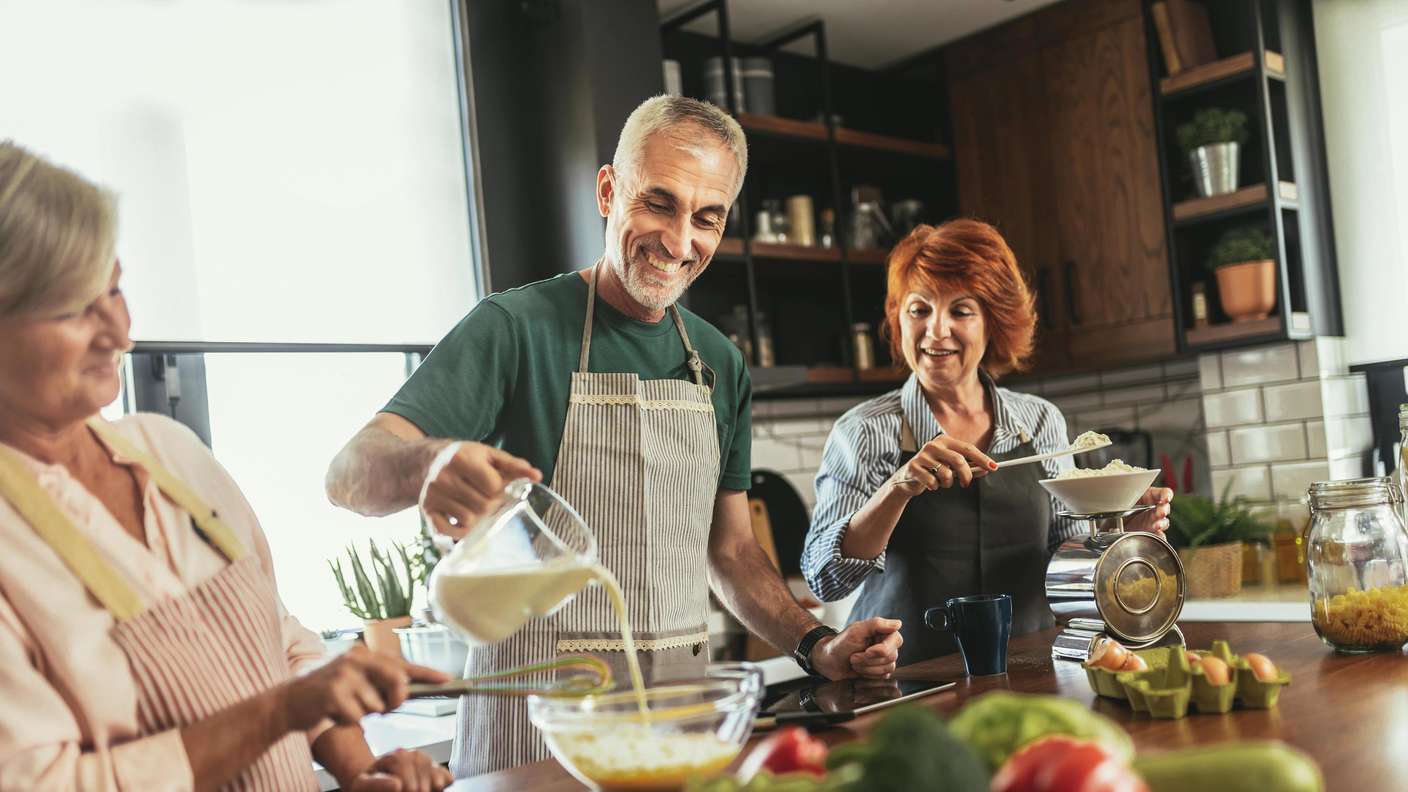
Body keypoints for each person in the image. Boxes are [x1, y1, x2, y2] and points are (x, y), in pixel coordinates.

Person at [325, 95, 903, 776]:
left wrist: (816, 646)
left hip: (677, 719)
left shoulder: (718, 361)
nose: (680, 242)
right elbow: (348, 475)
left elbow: (731, 550)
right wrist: (431, 460)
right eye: (659, 203)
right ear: (608, 189)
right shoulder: (515, 327)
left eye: (706, 218)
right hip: (537, 726)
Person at [0, 140, 454, 792]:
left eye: (116, 289)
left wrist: (361, 769)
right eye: (74, 307)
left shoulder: (166, 453)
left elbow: (282, 646)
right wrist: (278, 712)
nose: (118, 333)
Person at [801, 219, 1173, 667]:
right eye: (919, 310)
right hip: (911, 681)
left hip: (1032, 669)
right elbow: (824, 579)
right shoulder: (863, 431)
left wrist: (1121, 535)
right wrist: (898, 487)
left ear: (992, 322)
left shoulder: (1038, 421)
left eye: (960, 311)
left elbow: (1068, 562)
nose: (936, 331)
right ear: (898, 319)